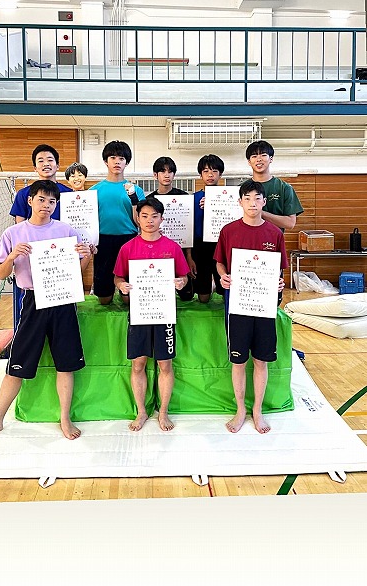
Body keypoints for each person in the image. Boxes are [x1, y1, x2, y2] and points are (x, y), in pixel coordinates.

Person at [0, 180, 91, 442]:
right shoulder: (14, 233)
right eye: (41, 200)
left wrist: (87, 256)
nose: (47, 205)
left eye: (52, 201)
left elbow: (76, 272)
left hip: (62, 300)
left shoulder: (66, 231)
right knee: (16, 363)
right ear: (30, 201)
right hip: (32, 300)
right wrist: (12, 256)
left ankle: (65, 417)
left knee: (65, 364)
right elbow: (1, 274)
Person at [214, 179, 288, 435]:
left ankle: (257, 410)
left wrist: (279, 283)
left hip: (264, 306)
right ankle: (240, 410)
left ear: (264, 202)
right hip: (238, 305)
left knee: (260, 361)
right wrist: (223, 276)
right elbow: (220, 263)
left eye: (257, 198)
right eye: (247, 198)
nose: (253, 203)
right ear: (240, 202)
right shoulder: (229, 231)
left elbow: (279, 270)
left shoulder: (275, 233)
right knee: (238, 361)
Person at [113, 197, 189, 432]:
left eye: (154, 216)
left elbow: (184, 276)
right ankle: (142, 411)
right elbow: (118, 276)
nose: (149, 220)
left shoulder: (172, 247)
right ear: (138, 218)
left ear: (161, 219)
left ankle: (163, 412)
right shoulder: (128, 248)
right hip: (139, 312)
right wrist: (121, 285)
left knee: (165, 364)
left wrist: (181, 282)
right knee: (138, 364)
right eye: (144, 216)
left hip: (164, 313)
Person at [89, 140, 146, 305]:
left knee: (129, 297)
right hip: (103, 241)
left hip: (129, 240)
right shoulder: (94, 191)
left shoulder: (136, 190)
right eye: (113, 158)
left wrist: (134, 199)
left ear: (126, 162)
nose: (117, 162)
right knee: (104, 297)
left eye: (121, 158)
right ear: (105, 161)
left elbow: (140, 222)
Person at [184, 154, 225, 303]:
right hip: (200, 246)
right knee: (203, 297)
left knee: (224, 289)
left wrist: (215, 205)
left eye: (214, 171)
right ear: (200, 174)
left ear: (220, 174)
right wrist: (189, 256)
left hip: (221, 245)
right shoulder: (193, 198)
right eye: (206, 171)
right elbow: (188, 229)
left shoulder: (229, 198)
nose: (210, 175)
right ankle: (208, 290)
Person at [245, 140, 303, 232]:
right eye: (254, 156)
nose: (259, 159)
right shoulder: (240, 189)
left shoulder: (284, 188)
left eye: (263, 155)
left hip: (273, 239)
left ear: (271, 159)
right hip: (246, 239)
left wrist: (260, 213)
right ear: (249, 161)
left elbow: (290, 223)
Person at [10, 144, 72, 223]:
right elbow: (20, 225)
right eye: (41, 161)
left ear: (57, 166)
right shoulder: (23, 194)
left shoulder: (69, 193)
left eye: (50, 160)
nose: (46, 164)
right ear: (35, 168)